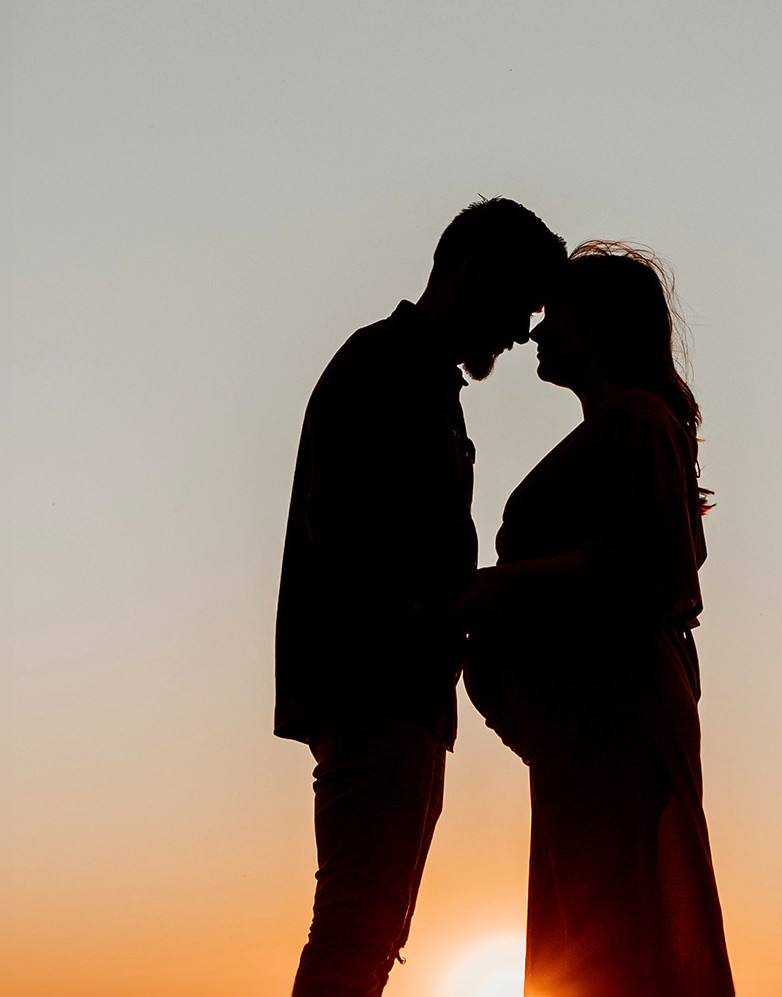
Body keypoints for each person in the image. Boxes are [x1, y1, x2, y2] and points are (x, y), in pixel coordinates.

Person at [275, 197, 566, 997]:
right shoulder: (385, 368)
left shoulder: (419, 378)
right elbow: (353, 538)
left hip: (395, 692)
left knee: (369, 930)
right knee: (357, 928)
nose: (519, 332)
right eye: (521, 305)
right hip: (376, 688)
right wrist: (450, 612)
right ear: (474, 269)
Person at [459, 243, 736, 997]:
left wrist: (499, 586)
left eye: (557, 316)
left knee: (613, 924)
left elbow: (652, 561)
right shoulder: (616, 426)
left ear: (604, 324)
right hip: (582, 722)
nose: (537, 334)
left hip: (614, 712)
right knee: (591, 924)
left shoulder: (637, 420)